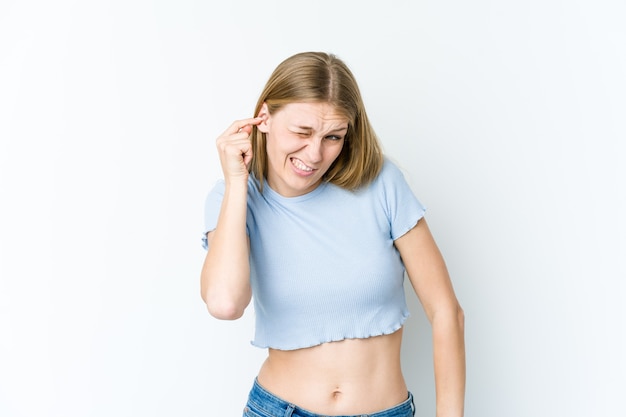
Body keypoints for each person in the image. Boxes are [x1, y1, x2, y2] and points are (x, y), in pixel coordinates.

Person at [201, 51, 465, 417]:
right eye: (302, 131)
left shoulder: (381, 184)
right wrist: (235, 181)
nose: (314, 153)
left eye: (333, 137)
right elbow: (225, 303)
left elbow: (446, 312)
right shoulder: (234, 198)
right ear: (264, 117)